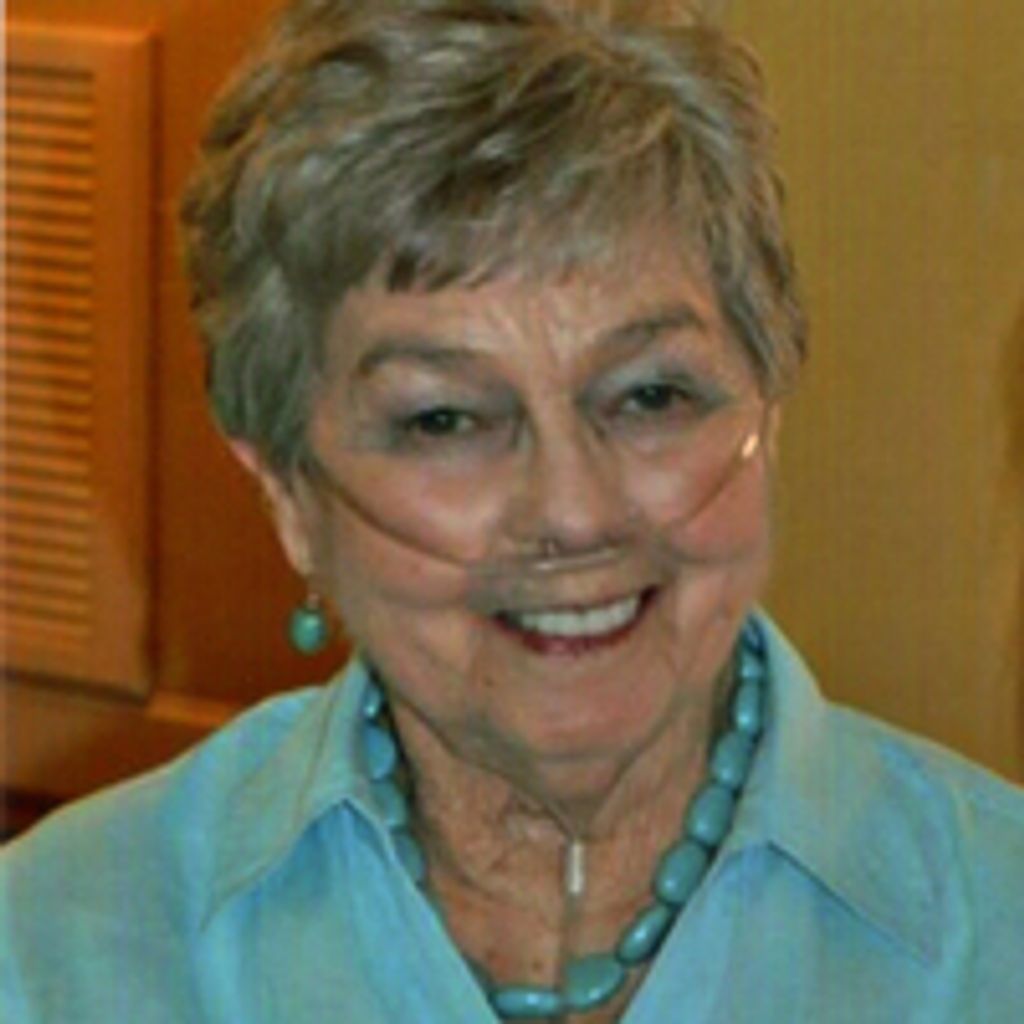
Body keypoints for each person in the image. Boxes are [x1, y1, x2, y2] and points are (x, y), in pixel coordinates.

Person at [2, 1, 1022, 1021]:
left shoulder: (995, 925)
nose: (574, 513)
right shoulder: (56, 952)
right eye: (444, 419)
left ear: (768, 414)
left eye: (651, 396)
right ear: (289, 495)